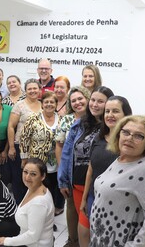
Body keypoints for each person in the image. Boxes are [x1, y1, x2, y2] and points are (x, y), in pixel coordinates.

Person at [89, 115, 145, 247]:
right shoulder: (121, 159)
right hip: (100, 238)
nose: (129, 138)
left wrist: (135, 245)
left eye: (138, 136)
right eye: (125, 132)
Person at [58, 86, 114, 247]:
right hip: (78, 185)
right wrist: (63, 180)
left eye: (100, 101)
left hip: (101, 187)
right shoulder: (79, 124)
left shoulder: (113, 127)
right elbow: (67, 153)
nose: (95, 104)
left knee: (99, 229)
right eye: (94, 100)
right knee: (84, 227)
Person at [80, 96, 132, 218]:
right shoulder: (99, 138)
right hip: (94, 197)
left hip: (118, 202)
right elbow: (90, 171)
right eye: (107, 111)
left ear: (126, 114)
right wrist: (84, 198)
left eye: (115, 111)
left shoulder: (129, 143)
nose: (110, 115)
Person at [54, 86, 90, 247]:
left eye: (80, 98)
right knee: (72, 207)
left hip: (90, 174)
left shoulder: (96, 119)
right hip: (71, 173)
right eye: (73, 100)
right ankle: (72, 240)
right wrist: (63, 174)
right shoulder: (67, 120)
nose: (77, 102)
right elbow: (60, 147)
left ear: (88, 98)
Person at [0, 159, 55, 247]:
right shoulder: (33, 187)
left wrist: (7, 241)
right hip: (26, 239)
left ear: (42, 176)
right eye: (25, 172)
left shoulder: (39, 203)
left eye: (33, 174)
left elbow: (33, 236)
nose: (27, 177)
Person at [20, 91, 64, 218]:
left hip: (56, 162)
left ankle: (51, 215)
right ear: (42, 104)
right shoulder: (33, 118)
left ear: (56, 104)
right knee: (40, 190)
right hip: (38, 161)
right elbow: (24, 139)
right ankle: (39, 216)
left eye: (52, 102)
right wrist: (24, 159)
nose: (49, 104)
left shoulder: (62, 119)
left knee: (54, 189)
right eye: (46, 102)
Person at [7, 78, 42, 204]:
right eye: (29, 89)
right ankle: (20, 205)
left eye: (35, 88)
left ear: (39, 90)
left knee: (34, 177)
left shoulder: (43, 105)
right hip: (20, 147)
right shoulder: (19, 105)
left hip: (38, 149)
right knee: (19, 178)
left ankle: (33, 203)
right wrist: (11, 147)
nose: (32, 91)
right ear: (25, 91)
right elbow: (11, 126)